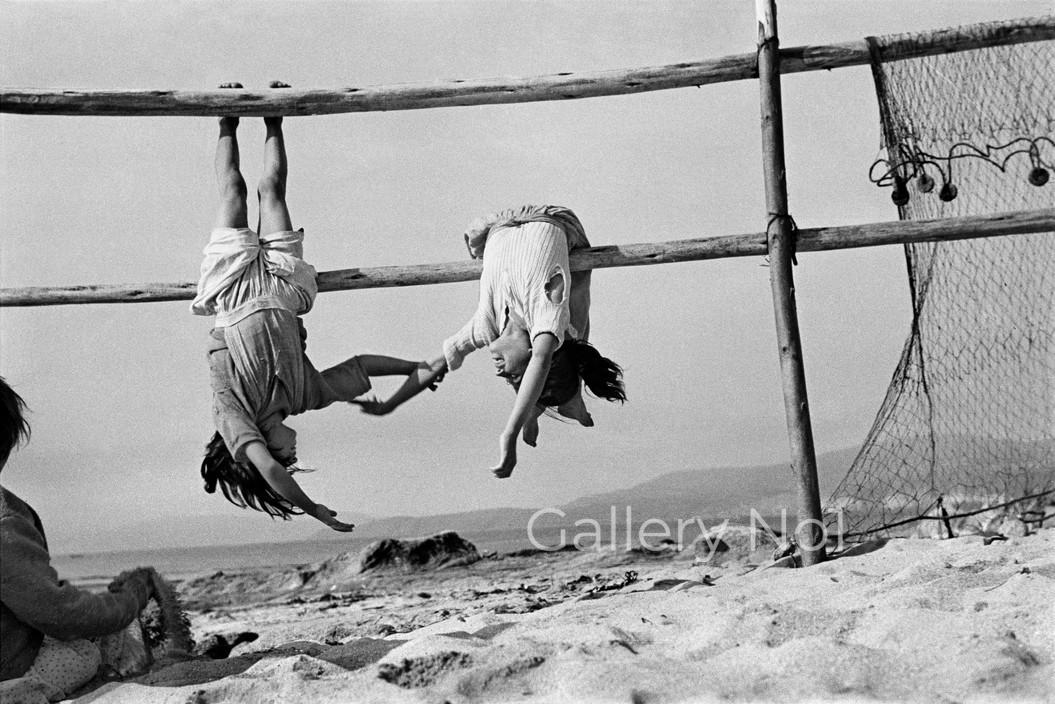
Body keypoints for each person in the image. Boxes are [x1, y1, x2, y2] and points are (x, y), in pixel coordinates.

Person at [192, 83, 445, 531]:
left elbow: (269, 473)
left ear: (263, 448)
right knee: (272, 192)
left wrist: (312, 510)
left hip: (232, 294)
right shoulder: (305, 396)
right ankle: (274, 118)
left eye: (288, 455)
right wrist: (413, 366)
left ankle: (226, 120)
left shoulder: (235, 418)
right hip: (285, 291)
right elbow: (361, 366)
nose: (293, 451)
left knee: (233, 192)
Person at [361, 205, 625, 478]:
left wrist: (389, 406)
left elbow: (434, 364)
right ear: (533, 352)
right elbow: (542, 361)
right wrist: (510, 435)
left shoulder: (485, 327)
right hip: (551, 218)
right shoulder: (546, 322)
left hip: (498, 226)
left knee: (565, 343)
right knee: (574, 326)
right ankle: (548, 405)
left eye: (509, 379)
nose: (500, 372)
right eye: (513, 375)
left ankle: (537, 410)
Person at [0, 377, 155, 702]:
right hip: (9, 670)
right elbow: (60, 615)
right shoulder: (6, 524)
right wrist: (129, 600)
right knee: (87, 650)